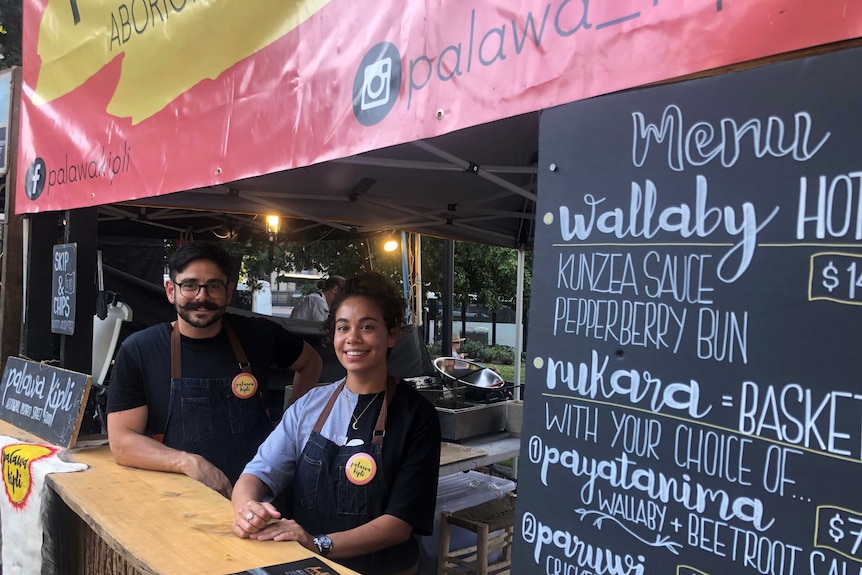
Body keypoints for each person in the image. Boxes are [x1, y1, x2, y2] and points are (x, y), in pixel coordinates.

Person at [232, 272, 441, 575]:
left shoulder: (416, 416)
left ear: (392, 334)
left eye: (367, 327)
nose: (353, 338)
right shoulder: (310, 405)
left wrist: (319, 543)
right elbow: (257, 473)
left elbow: (398, 525)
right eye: (344, 327)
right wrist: (246, 509)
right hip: (308, 566)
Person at [106, 242, 323, 499]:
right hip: (184, 501)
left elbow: (311, 363)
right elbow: (122, 443)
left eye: (214, 286)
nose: (202, 296)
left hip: (264, 497)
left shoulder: (258, 335)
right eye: (189, 285)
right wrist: (187, 462)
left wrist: (289, 423)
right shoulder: (140, 350)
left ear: (229, 291)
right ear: (170, 290)